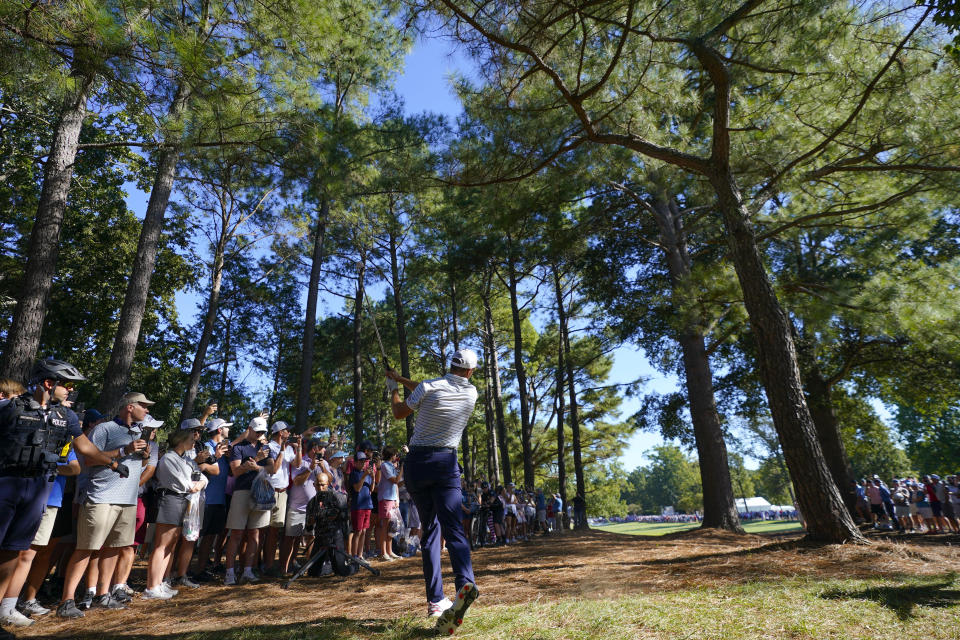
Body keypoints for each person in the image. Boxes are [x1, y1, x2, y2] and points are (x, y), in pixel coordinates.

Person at [386, 348, 480, 634]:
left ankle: (436, 601)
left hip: (416, 463)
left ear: (450, 365)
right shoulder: (471, 393)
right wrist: (401, 379)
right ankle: (465, 582)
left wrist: (393, 389)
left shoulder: (430, 386)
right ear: (470, 372)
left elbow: (401, 412)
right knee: (454, 529)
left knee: (431, 532)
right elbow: (428, 389)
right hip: (445, 463)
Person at [0, 360, 88, 628]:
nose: (72, 391)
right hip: (6, 486)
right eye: (68, 385)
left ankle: (5, 609)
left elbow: (84, 452)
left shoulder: (66, 418)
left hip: (38, 490)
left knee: (14, 551)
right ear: (50, 383)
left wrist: (115, 459)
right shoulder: (10, 409)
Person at [56, 390, 152, 618]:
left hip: (127, 500)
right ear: (130, 406)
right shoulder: (104, 428)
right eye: (144, 406)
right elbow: (89, 459)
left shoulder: (138, 431)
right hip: (101, 498)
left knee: (113, 549)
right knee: (86, 548)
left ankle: (103, 595)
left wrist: (145, 454)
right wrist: (123, 450)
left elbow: (140, 463)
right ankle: (66, 601)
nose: (147, 410)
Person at [143, 429, 207, 599]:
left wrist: (200, 484)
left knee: (171, 545)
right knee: (161, 544)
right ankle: (151, 586)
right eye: (191, 440)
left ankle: (160, 582)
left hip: (183, 501)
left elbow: (202, 478)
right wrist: (197, 484)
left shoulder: (186, 459)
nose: (194, 443)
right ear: (181, 441)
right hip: (170, 499)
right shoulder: (169, 458)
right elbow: (185, 483)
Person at [223, 417, 272, 586]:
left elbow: (272, 469)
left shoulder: (265, 447)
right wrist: (256, 461)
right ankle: (229, 572)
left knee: (255, 533)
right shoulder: (238, 447)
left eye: (262, 432)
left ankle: (248, 571)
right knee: (236, 533)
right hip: (242, 492)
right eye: (257, 431)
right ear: (249, 429)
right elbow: (236, 471)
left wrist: (257, 466)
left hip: (260, 493)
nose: (259, 434)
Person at [377, 446, 403, 561]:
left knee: (392, 526)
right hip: (385, 498)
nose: (396, 456)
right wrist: (402, 467)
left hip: (392, 499)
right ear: (391, 455)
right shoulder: (384, 465)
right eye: (395, 454)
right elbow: (395, 480)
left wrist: (397, 499)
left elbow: (397, 484)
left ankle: (390, 551)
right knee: (385, 526)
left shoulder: (392, 466)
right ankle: (383, 553)